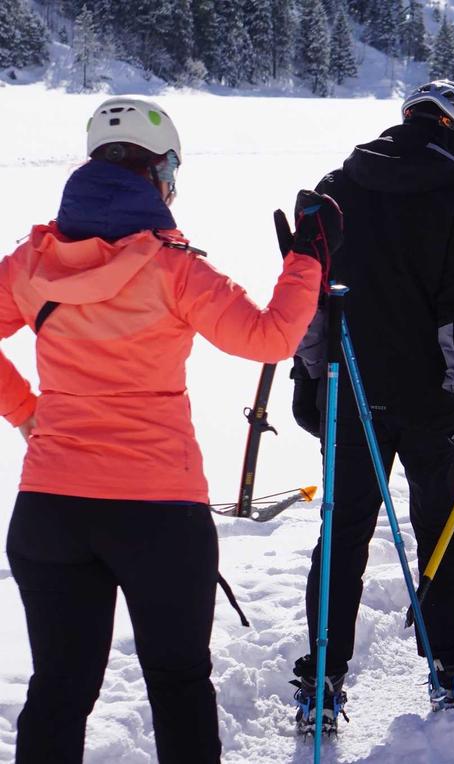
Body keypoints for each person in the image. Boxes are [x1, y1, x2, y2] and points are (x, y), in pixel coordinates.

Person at [0, 97, 333, 763]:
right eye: (171, 170)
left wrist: (28, 411)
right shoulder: (172, 266)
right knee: (178, 685)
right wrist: (308, 261)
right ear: (155, 176)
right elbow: (270, 338)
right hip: (157, 512)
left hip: (49, 512)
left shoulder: (33, 263)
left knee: (59, 692)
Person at [292, 81, 454, 722]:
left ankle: (323, 675)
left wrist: (309, 376)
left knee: (342, 533)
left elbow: (309, 295)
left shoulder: (337, 184)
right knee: (436, 529)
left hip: (350, 388)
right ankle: (450, 662)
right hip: (429, 396)